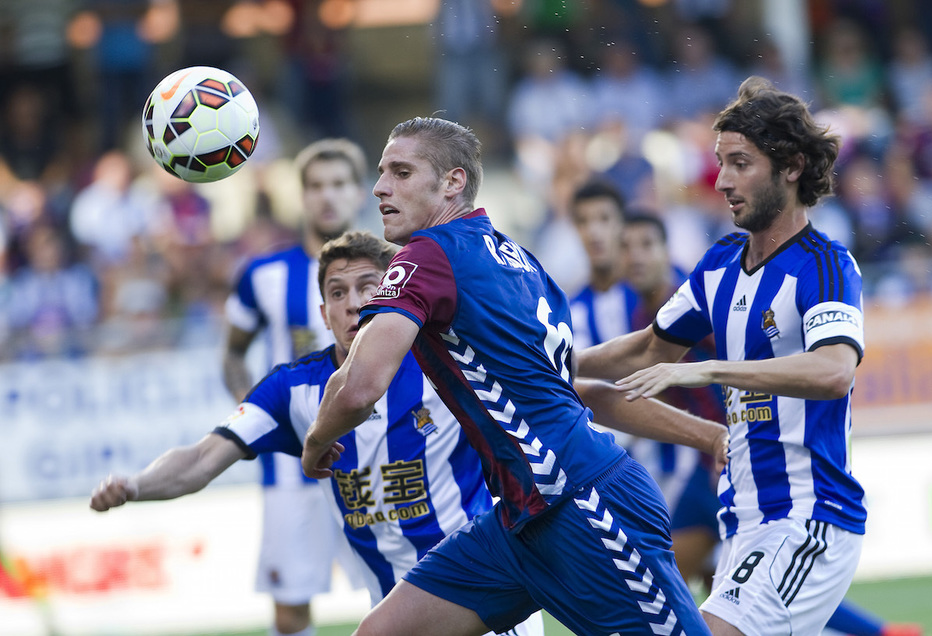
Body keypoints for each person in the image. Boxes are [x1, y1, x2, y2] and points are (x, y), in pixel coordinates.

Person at [300, 116, 728, 635]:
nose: (380, 186)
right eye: (382, 172)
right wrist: (710, 436)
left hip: (582, 504)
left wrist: (317, 440)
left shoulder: (426, 257)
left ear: (453, 182)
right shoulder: (522, 262)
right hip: (522, 518)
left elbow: (359, 386)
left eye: (401, 171)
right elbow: (574, 391)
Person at [90, 230, 544, 636]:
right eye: (337, 292)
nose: (354, 303)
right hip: (393, 611)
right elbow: (203, 458)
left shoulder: (447, 363)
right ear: (324, 314)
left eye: (369, 287)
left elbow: (552, 390)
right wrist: (135, 485)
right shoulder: (293, 389)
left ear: (394, 295)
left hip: (484, 596)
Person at [577, 76, 868, 635]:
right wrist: (555, 360)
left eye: (741, 163)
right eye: (720, 163)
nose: (723, 180)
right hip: (742, 520)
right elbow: (649, 347)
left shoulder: (825, 265)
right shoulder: (721, 261)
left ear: (792, 167)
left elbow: (834, 370)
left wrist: (708, 367)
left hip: (807, 517)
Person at [221, 138, 368, 636]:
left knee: (400, 596)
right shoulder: (262, 274)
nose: (327, 197)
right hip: (290, 468)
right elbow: (232, 354)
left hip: (377, 460)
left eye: (339, 184)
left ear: (358, 192)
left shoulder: (392, 271)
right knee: (289, 610)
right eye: (316, 186)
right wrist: (254, 414)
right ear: (301, 196)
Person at [568, 181, 724, 590]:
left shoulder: (682, 297)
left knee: (661, 589)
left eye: (604, 220)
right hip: (671, 461)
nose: (594, 232)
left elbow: (730, 364)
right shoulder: (595, 308)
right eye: (583, 222)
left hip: (700, 459)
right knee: (722, 592)